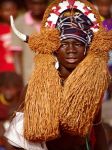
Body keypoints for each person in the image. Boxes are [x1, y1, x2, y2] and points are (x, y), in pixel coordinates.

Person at [5, 0, 112, 149]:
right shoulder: (35, 88)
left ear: (86, 49)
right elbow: (14, 140)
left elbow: (97, 126)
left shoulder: (91, 88)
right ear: (55, 49)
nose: (71, 49)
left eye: (78, 44)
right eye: (64, 44)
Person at [11, 0, 48, 84]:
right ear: (28, 4)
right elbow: (17, 54)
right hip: (28, 76)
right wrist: (19, 77)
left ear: (46, 4)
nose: (37, 7)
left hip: (51, 74)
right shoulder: (19, 23)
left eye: (40, 3)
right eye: (33, 3)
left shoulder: (53, 20)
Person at [0, 0, 19, 73]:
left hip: (19, 70)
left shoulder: (20, 27)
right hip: (3, 71)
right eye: (7, 10)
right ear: (0, 12)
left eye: (13, 10)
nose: (11, 13)